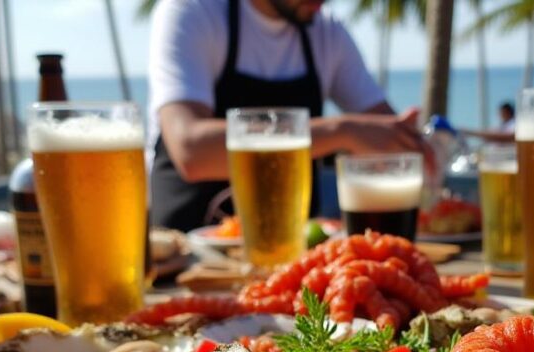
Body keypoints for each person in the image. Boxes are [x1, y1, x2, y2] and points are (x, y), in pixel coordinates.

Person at [148, 0, 429, 231]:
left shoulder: (326, 32)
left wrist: (421, 146)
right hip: (187, 259)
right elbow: (191, 150)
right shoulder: (194, 12)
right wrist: (342, 132)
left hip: (295, 255)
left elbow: (391, 139)